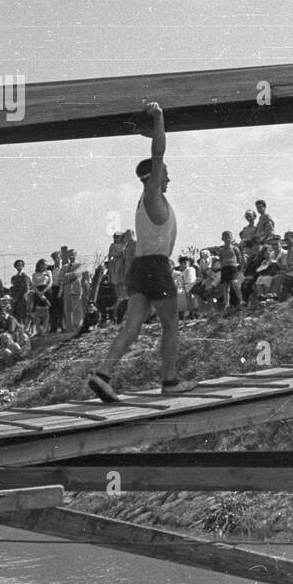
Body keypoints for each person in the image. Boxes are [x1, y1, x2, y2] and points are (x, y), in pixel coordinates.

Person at [87, 101, 196, 402]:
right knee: (171, 324)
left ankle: (103, 374)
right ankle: (170, 381)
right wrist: (159, 118)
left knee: (132, 325)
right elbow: (159, 152)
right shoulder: (152, 194)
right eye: (165, 173)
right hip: (157, 267)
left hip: (140, 268)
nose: (169, 177)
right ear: (154, 176)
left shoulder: (145, 201)